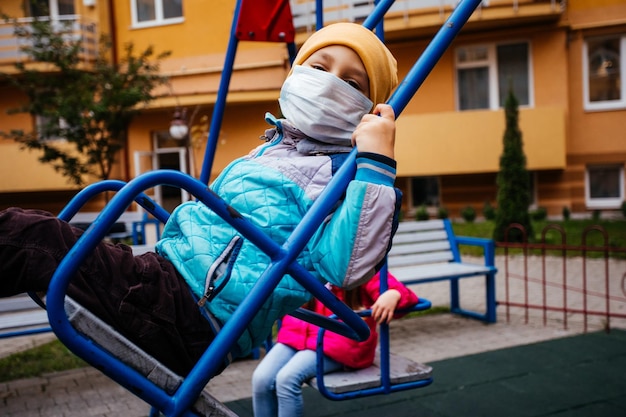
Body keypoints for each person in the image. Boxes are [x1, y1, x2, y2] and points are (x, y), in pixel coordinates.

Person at [0, 22, 399, 377]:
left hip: (190, 313)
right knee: (35, 238)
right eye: (319, 66)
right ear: (295, 73)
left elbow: (346, 266)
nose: (330, 83)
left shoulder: (343, 175)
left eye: (352, 84)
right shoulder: (277, 149)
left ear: (368, 111)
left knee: (31, 237)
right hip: (164, 282)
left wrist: (377, 162)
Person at [251, 271, 418, 417]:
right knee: (261, 378)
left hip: (340, 344)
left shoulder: (361, 269)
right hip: (295, 336)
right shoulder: (313, 262)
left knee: (286, 379)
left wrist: (394, 294)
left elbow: (404, 295)